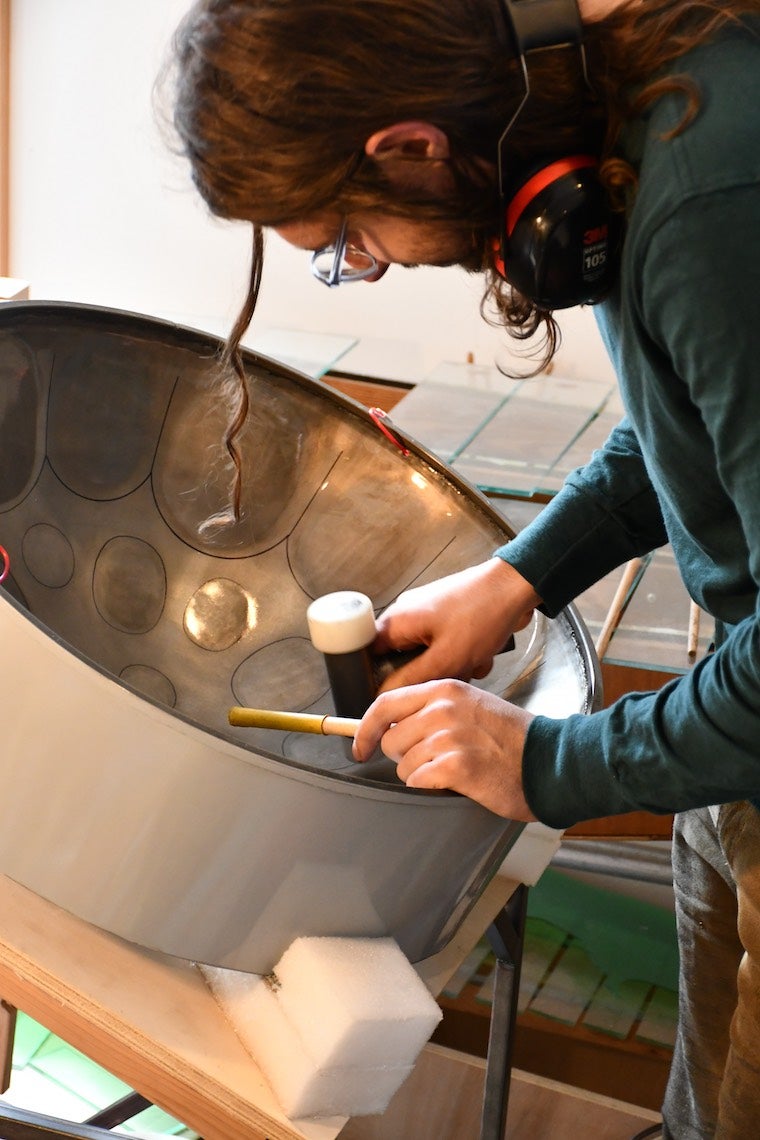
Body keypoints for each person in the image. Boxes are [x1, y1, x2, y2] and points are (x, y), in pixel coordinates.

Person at [168, 1, 760, 1135]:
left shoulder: (710, 195)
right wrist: (513, 578)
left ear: (408, 145)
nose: (369, 267)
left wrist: (549, 763)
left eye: (348, 241)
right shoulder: (637, 123)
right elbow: (687, 418)